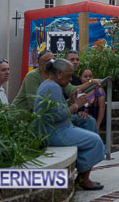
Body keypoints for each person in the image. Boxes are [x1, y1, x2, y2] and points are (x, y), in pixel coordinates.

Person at [34, 58, 105, 191]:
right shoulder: (52, 87)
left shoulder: (49, 85)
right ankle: (84, 180)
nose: (71, 79)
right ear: (59, 73)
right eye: (69, 75)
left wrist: (71, 102)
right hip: (55, 132)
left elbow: (56, 109)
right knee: (95, 140)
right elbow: (55, 116)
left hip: (56, 129)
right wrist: (76, 106)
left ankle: (83, 175)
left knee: (90, 131)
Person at [13, 50, 99, 133]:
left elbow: (71, 90)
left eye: (53, 60)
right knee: (92, 139)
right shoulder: (32, 76)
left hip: (52, 118)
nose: (51, 63)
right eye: (47, 61)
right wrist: (74, 106)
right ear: (39, 64)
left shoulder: (57, 76)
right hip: (29, 119)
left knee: (89, 121)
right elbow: (36, 106)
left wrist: (91, 82)